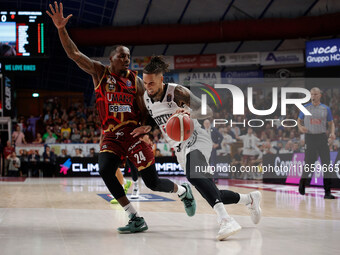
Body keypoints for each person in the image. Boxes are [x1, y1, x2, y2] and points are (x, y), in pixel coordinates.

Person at [47, 2, 196, 234]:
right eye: (122, 56)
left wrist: (147, 128)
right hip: (111, 135)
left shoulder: (136, 81)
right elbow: (74, 54)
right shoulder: (99, 72)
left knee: (152, 183)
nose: (126, 59)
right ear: (111, 59)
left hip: (133, 134)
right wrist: (60, 28)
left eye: (128, 56)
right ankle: (134, 217)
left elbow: (147, 110)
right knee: (105, 169)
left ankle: (183, 191)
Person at [138, 56, 262, 241]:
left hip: (196, 138)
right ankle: (249, 199)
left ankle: (226, 220)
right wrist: (148, 127)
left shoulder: (177, 92)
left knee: (194, 175)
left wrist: (188, 111)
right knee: (212, 192)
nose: (148, 86)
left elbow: (208, 111)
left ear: (161, 79)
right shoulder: (146, 98)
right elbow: (160, 118)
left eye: (152, 83)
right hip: (179, 148)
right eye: (146, 83)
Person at [297, 87, 336, 199]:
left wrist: (332, 133)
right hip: (310, 138)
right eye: (312, 94)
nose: (313, 96)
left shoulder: (325, 109)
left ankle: (327, 192)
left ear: (320, 95)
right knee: (308, 165)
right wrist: (300, 127)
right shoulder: (305, 107)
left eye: (315, 94)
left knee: (327, 165)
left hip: (322, 138)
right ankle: (302, 183)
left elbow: (331, 123)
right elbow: (298, 121)